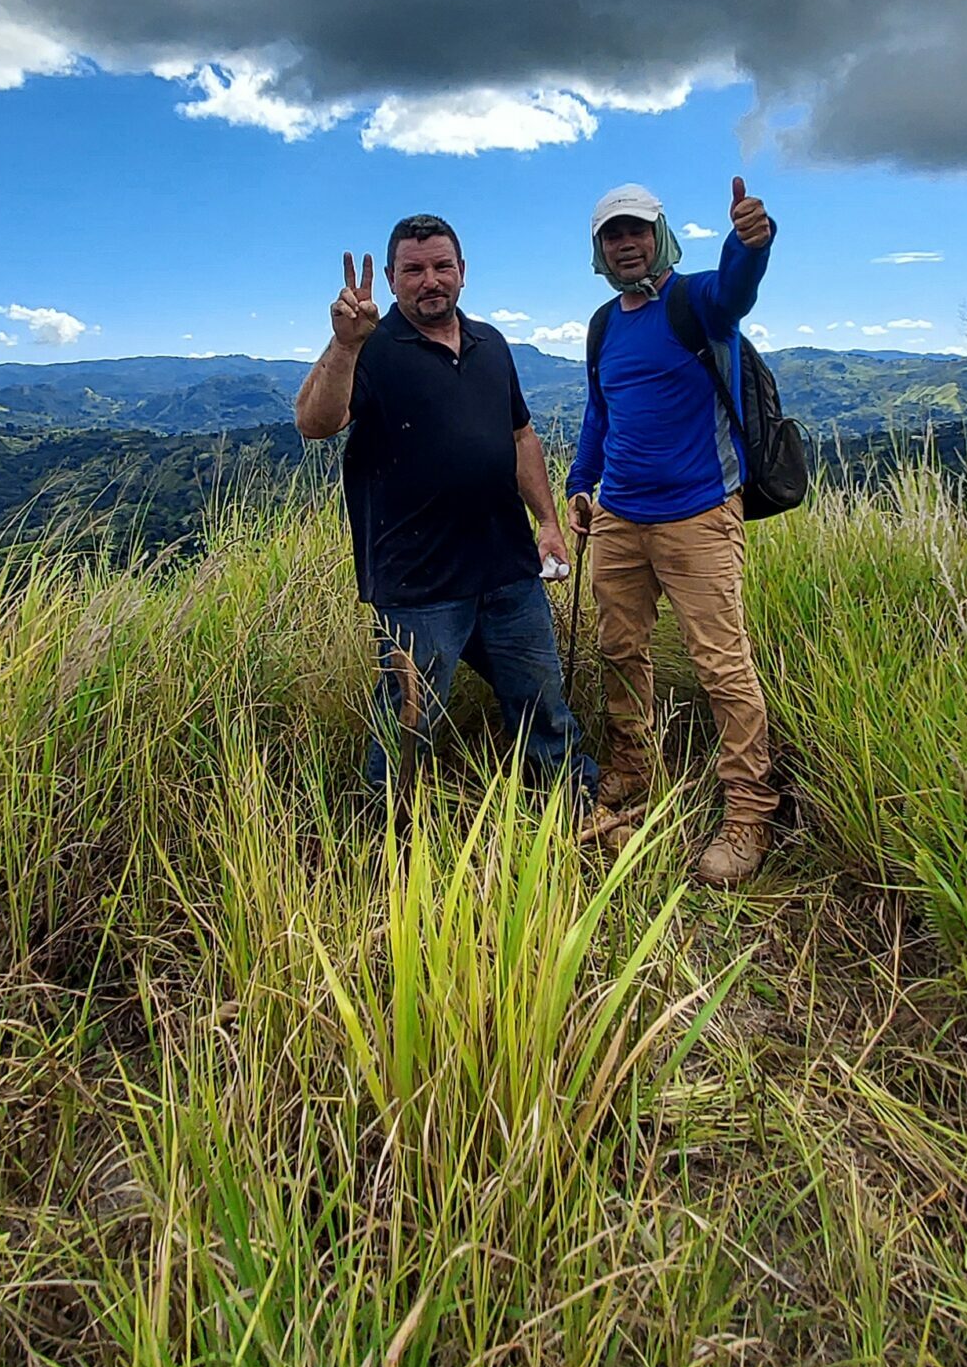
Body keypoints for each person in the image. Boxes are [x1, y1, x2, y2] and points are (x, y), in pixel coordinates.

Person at [294, 214, 598, 806]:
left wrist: (547, 523)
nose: (430, 280)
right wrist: (345, 344)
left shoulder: (491, 344)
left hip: (507, 568)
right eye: (413, 270)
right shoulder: (370, 349)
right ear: (391, 279)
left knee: (542, 701)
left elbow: (521, 437)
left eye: (441, 266)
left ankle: (571, 802)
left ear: (462, 272)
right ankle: (390, 825)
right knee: (410, 718)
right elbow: (315, 423)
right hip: (418, 582)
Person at [566, 177, 780, 886]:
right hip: (620, 517)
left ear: (660, 236)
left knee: (721, 664)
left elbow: (737, 289)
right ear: (599, 250)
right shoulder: (604, 325)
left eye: (637, 230)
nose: (626, 244)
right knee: (619, 649)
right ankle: (633, 765)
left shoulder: (698, 303)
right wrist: (580, 484)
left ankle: (748, 813)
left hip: (698, 515)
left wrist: (749, 242)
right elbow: (600, 413)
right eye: (613, 235)